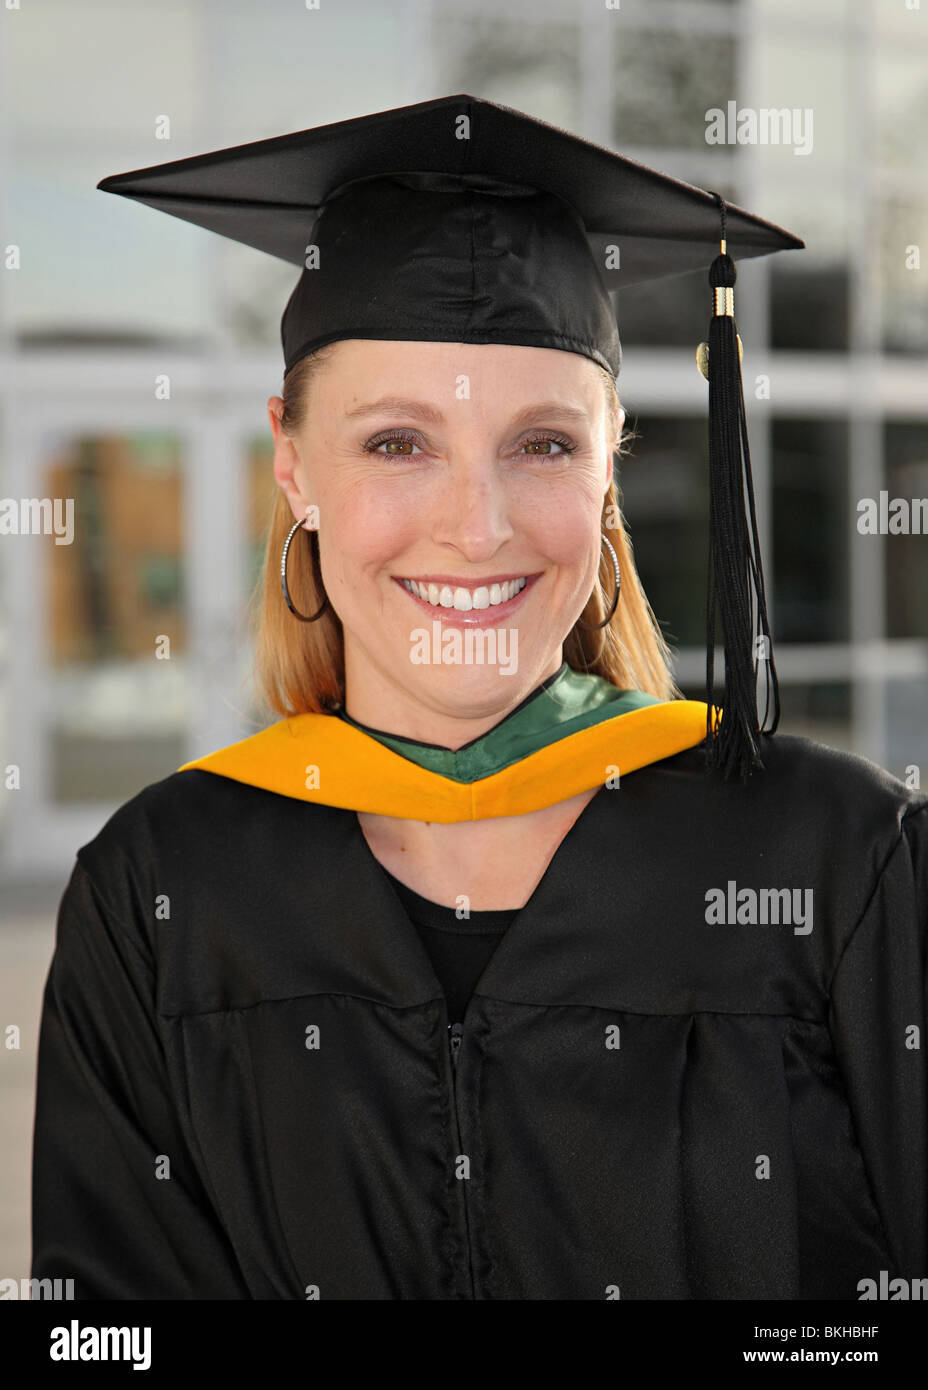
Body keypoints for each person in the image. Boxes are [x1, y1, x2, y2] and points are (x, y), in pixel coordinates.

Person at [30, 95, 927, 1300]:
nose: (476, 526)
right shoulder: (160, 896)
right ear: (291, 464)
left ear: (610, 467)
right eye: (396, 443)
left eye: (544, 444)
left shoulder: (843, 864)